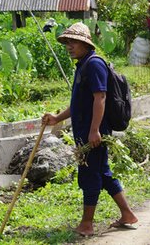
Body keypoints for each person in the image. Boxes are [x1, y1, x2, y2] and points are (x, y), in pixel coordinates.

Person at [42, 22, 137, 236]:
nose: (69, 46)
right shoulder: (83, 65)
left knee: (89, 175)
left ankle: (87, 224)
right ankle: (127, 214)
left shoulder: (94, 65)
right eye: (67, 42)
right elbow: (78, 104)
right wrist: (57, 118)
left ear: (85, 43)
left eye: (74, 42)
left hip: (93, 131)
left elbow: (100, 98)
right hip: (86, 130)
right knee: (102, 173)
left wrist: (94, 131)